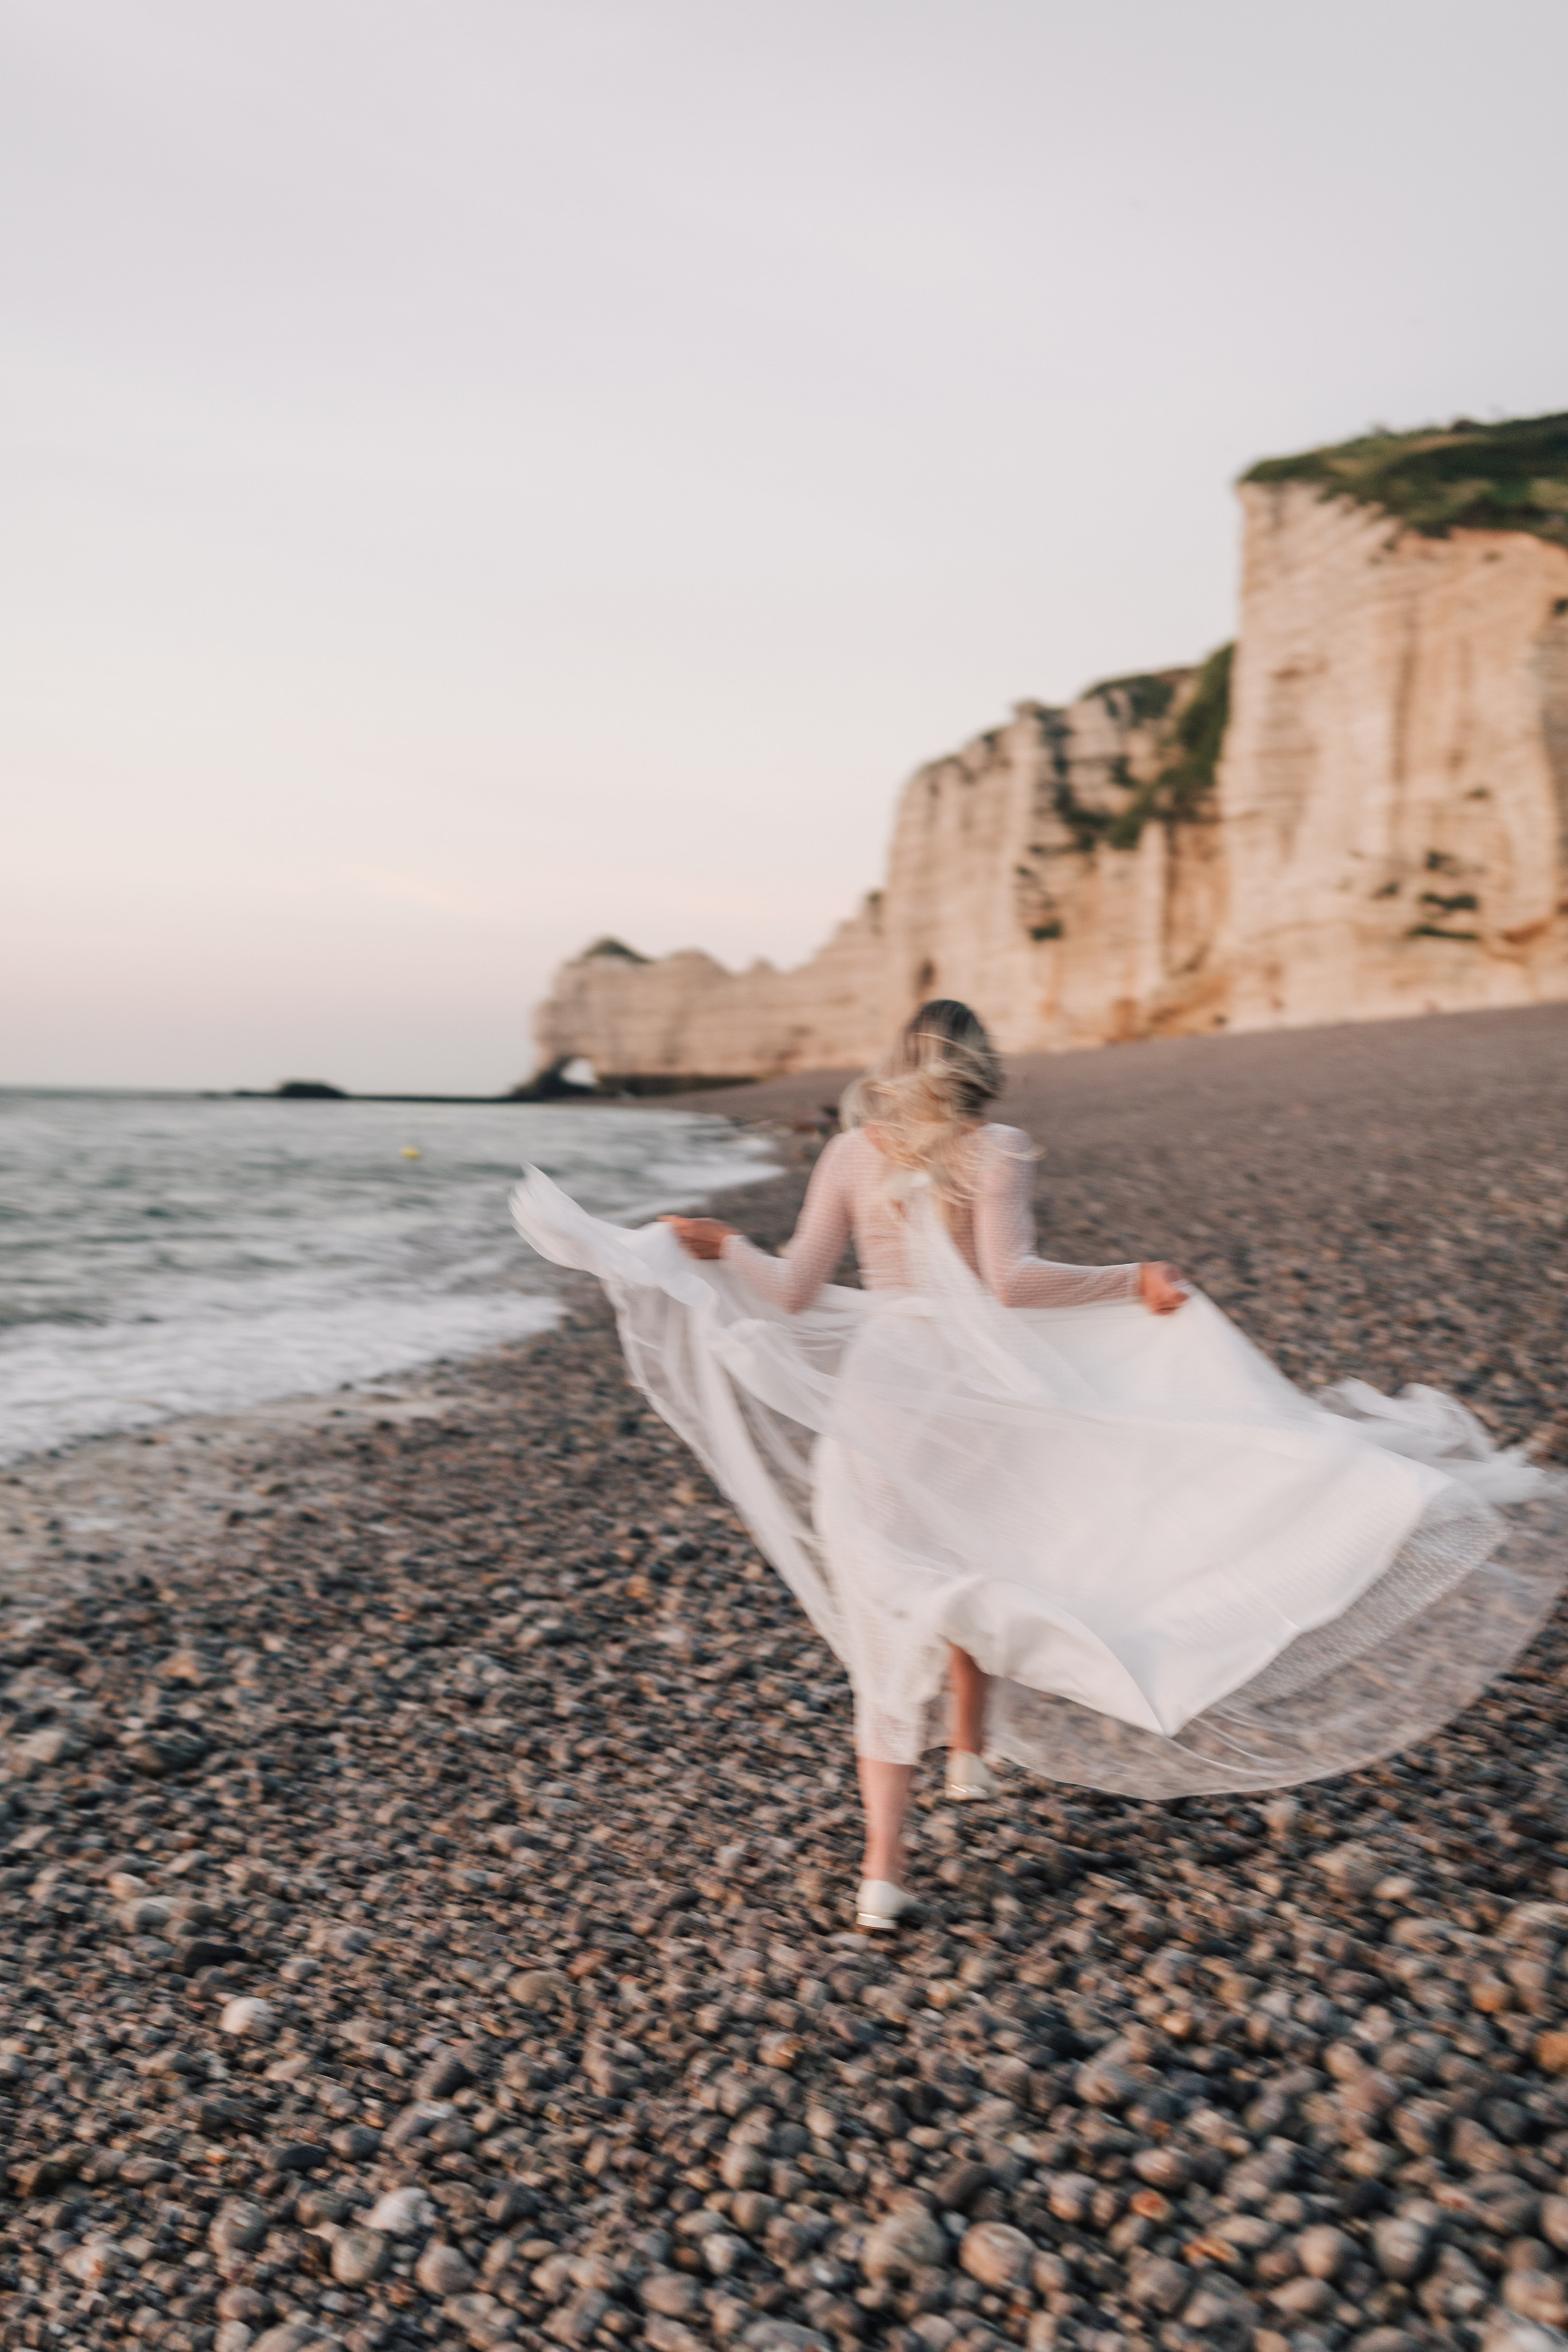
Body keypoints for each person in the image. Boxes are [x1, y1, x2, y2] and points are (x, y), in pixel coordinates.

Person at [513, 1001, 1559, 1932]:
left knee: (894, 1607)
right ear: (978, 1071)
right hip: (972, 1401)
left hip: (881, 1395)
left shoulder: (850, 1153)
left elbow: (789, 1292)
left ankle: (887, 1867)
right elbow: (1012, 1284)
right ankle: (965, 1752)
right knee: (977, 1554)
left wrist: (724, 1247)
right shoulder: (996, 1148)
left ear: (897, 1066)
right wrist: (1132, 1278)